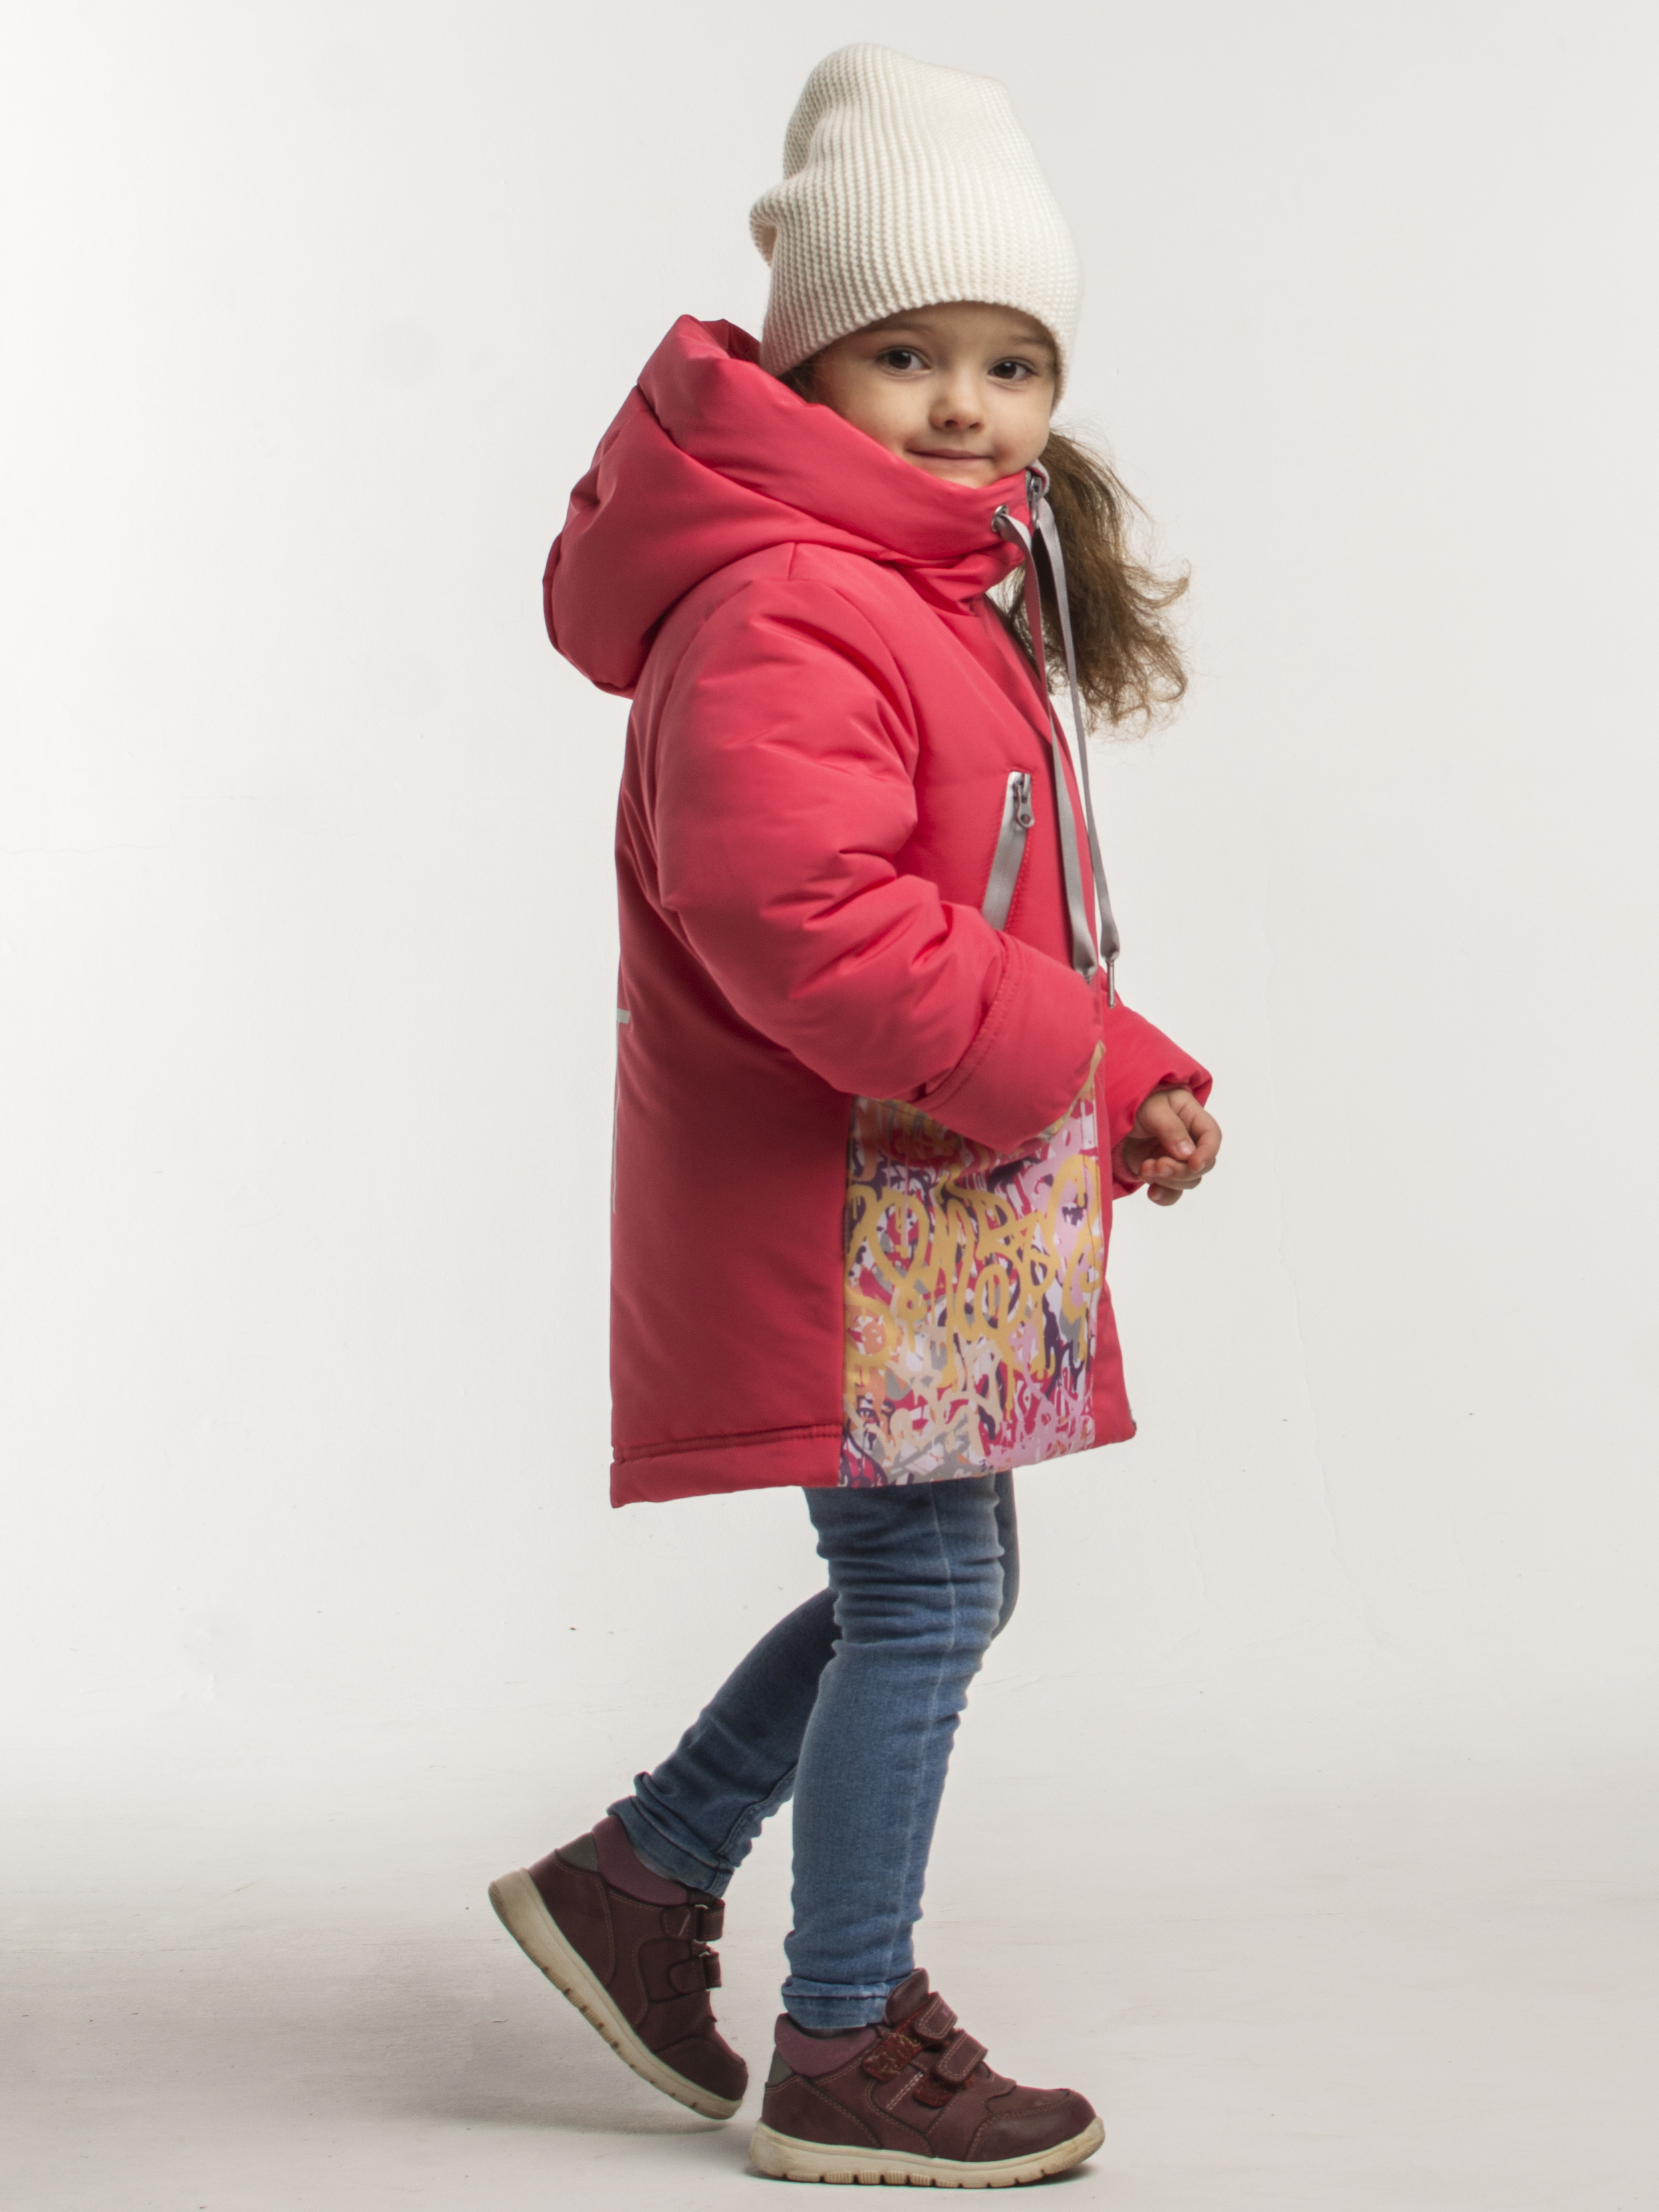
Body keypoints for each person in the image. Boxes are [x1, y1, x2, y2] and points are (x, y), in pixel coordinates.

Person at [489, 43, 1221, 2189]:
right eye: (909, 354)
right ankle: (838, 2040)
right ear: (808, 361)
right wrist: (1074, 1059)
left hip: (921, 1181)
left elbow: (962, 908)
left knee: (943, 1579)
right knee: (924, 1589)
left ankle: (645, 1875)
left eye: (1013, 361)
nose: (969, 406)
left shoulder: (919, 581)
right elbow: (799, 919)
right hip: (840, 1189)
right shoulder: (795, 598)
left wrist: (1116, 1066)